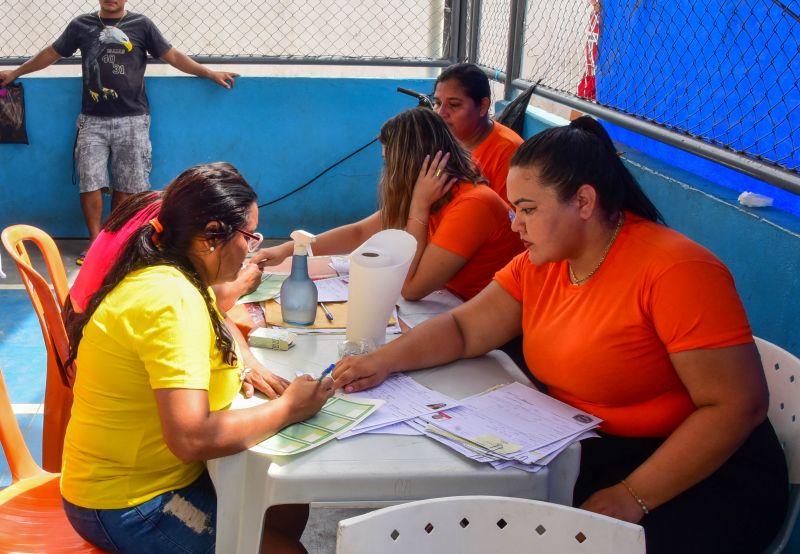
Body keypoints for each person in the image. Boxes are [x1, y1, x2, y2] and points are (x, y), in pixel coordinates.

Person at [331, 117, 788, 553]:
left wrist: (634, 495)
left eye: (528, 210)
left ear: (584, 202)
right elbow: (464, 327)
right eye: (515, 209)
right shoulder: (542, 262)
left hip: (697, 473)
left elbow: (735, 405)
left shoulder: (677, 271)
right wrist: (383, 360)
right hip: (585, 449)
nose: (515, 225)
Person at [61, 162, 333, 553]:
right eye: (249, 237)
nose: (253, 247)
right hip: (128, 502)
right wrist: (289, 409)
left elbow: (217, 317)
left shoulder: (182, 273)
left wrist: (247, 363)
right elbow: (191, 437)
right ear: (211, 237)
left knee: (286, 505)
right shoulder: (170, 300)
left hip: (157, 477)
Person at [0, 0, 239, 264]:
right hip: (92, 120)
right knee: (90, 181)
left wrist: (208, 73)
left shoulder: (142, 25)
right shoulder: (82, 25)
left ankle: (115, 241)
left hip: (133, 120)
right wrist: (16, 72)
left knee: (128, 185)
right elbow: (52, 53)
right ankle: (95, 243)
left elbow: (172, 56)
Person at [251, 107, 523, 301]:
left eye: (390, 162)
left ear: (413, 163)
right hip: (448, 303)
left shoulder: (472, 204)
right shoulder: (437, 192)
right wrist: (289, 249)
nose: (389, 171)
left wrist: (418, 207)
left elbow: (412, 288)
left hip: (480, 319)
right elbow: (359, 233)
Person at [432, 62, 524, 204]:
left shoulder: (507, 151)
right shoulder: (443, 140)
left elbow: (508, 220)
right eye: (437, 103)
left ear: (483, 106)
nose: (441, 113)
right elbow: (436, 181)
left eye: (454, 105)